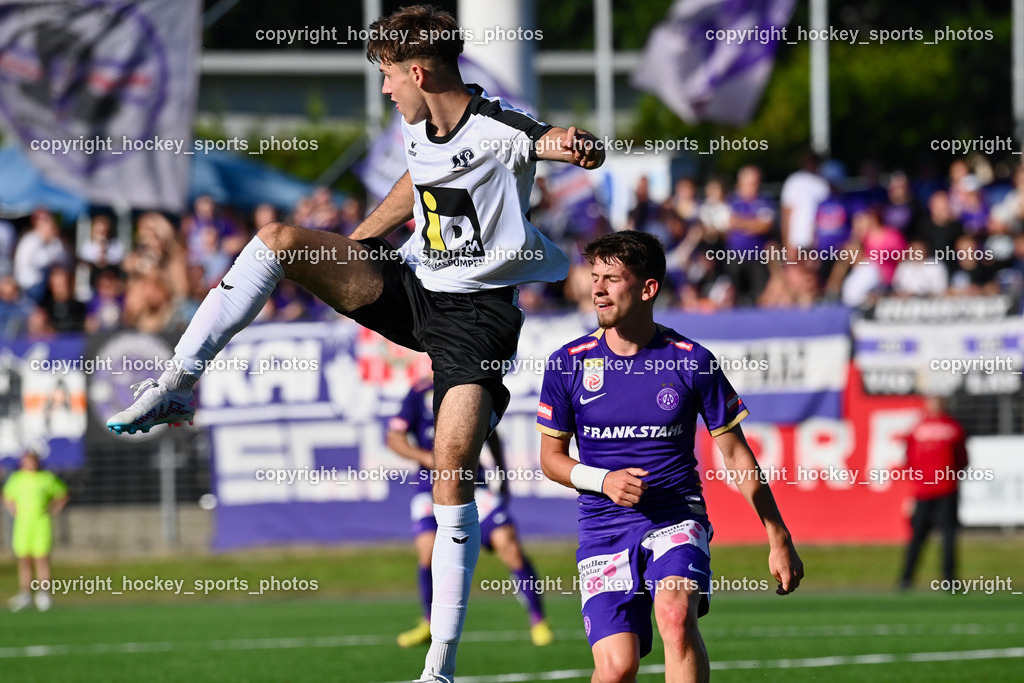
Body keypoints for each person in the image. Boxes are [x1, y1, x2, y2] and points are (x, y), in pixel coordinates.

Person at [106, 6, 604, 681]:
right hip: (413, 284)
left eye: (388, 75)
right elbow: (419, 178)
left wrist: (577, 143)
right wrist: (363, 238)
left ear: (419, 71)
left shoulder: (495, 126)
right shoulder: (420, 129)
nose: (384, 88)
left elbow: (542, 139)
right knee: (278, 240)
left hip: (477, 322)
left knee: (451, 458)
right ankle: (175, 386)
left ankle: (441, 666)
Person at [537, 231, 803, 683]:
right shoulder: (568, 363)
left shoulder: (691, 361)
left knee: (676, 616)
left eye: (612, 279)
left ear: (647, 289)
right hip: (603, 529)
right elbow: (551, 459)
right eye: (594, 277)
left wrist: (778, 537)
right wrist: (602, 480)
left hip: (676, 518)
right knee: (618, 668)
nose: (597, 289)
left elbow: (738, 456)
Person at [388, 377, 553, 648]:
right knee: (427, 552)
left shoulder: (470, 383)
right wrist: (424, 457)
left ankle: (539, 620)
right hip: (429, 489)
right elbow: (394, 437)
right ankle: (429, 622)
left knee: (508, 545)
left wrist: (503, 475)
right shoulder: (418, 392)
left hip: (473, 485)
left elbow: (493, 434)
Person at [898, 396, 968, 590]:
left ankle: (906, 579)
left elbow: (908, 458)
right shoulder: (953, 427)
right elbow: (962, 459)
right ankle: (949, 580)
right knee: (947, 536)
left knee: (918, 536)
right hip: (946, 489)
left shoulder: (917, 428)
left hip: (925, 491)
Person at [3, 449, 69, 612]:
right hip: (23, 524)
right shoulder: (17, 479)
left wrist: (53, 509)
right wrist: (13, 510)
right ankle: (25, 593)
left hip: (41, 523)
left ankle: (43, 593)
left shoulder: (46, 478)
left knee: (42, 558)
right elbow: (7, 496)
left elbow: (62, 494)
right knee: (24, 559)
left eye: (31, 461)